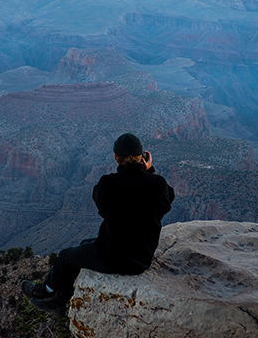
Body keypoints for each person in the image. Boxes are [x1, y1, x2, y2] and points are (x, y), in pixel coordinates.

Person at [21, 132, 175, 316]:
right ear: (142, 157)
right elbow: (168, 200)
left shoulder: (108, 184)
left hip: (114, 257)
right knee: (84, 244)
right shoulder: (158, 185)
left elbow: (101, 205)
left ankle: (46, 290)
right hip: (142, 258)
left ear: (116, 157)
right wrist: (148, 171)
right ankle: (60, 301)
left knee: (65, 256)